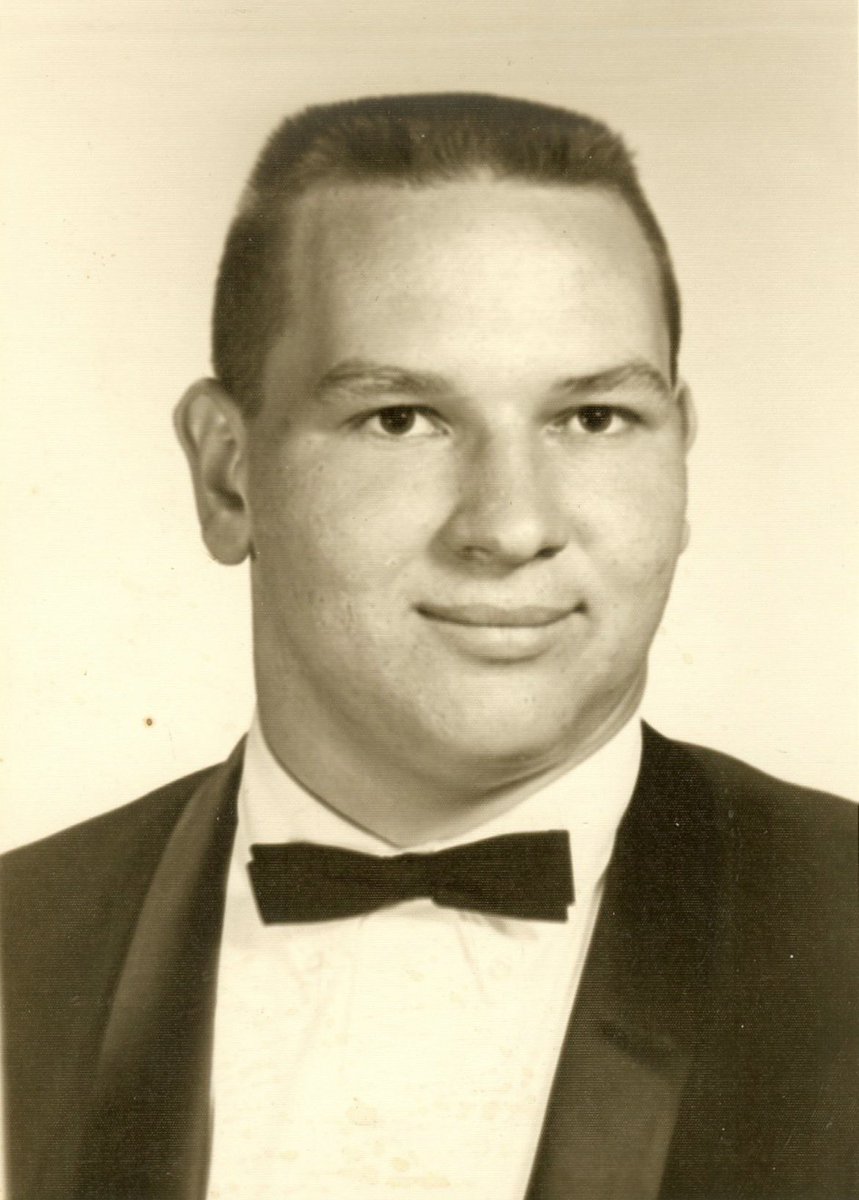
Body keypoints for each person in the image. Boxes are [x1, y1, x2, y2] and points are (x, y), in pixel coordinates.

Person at [2, 93, 856, 1200]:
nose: (510, 526)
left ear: (679, 455)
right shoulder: (21, 939)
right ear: (226, 475)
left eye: (592, 418)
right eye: (401, 418)